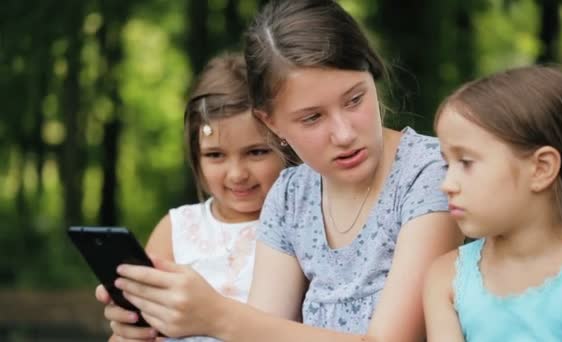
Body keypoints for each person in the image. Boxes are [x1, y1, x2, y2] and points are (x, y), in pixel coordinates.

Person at [103, 1, 463, 341]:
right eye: (312, 117)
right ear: (271, 123)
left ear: (373, 74)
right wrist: (163, 321)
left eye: (355, 100)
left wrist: (214, 315)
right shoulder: (292, 194)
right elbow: (264, 328)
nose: (344, 133)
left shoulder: (429, 173)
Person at [96, 53, 289, 341]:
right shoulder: (177, 228)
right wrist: (130, 327)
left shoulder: (298, 226)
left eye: (256, 152)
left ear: (287, 146)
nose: (237, 174)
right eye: (215, 155)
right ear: (196, 157)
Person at [424, 65, 562, 341]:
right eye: (446, 164)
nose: (447, 184)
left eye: (466, 162)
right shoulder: (445, 278)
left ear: (541, 168)